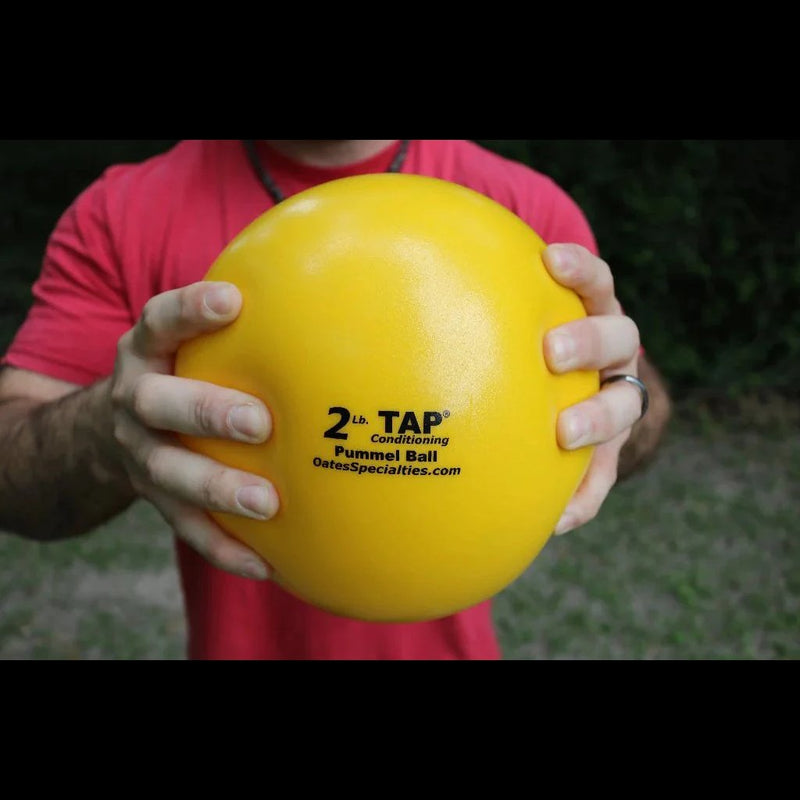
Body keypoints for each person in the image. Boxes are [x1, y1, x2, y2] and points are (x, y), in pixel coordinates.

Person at [0, 139, 671, 660]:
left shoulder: (527, 214)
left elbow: (637, 409)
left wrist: (623, 400)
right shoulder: (124, 212)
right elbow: (12, 474)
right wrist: (109, 425)